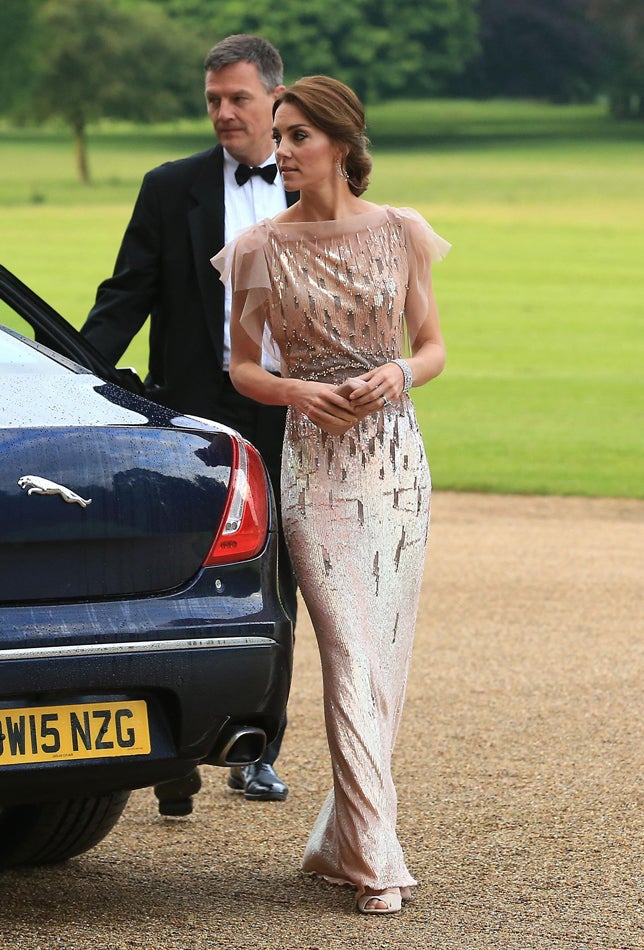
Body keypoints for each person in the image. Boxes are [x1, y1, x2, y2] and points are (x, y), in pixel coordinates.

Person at [211, 76, 450, 914]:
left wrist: (397, 373)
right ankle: (376, 862)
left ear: (341, 145)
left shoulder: (402, 231)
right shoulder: (256, 248)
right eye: (277, 136)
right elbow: (241, 366)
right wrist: (296, 393)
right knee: (348, 649)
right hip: (312, 466)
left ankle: (340, 837)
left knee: (383, 665)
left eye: (297, 136)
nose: (280, 150)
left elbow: (431, 348)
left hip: (395, 467)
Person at [81, 35, 298, 809]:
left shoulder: (314, 186)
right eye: (213, 99)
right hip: (198, 418)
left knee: (280, 579)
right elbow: (125, 297)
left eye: (238, 98)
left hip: (294, 414)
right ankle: (169, 760)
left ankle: (258, 745)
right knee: (180, 576)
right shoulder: (170, 187)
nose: (223, 113)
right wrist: (68, 374)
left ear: (277, 98)